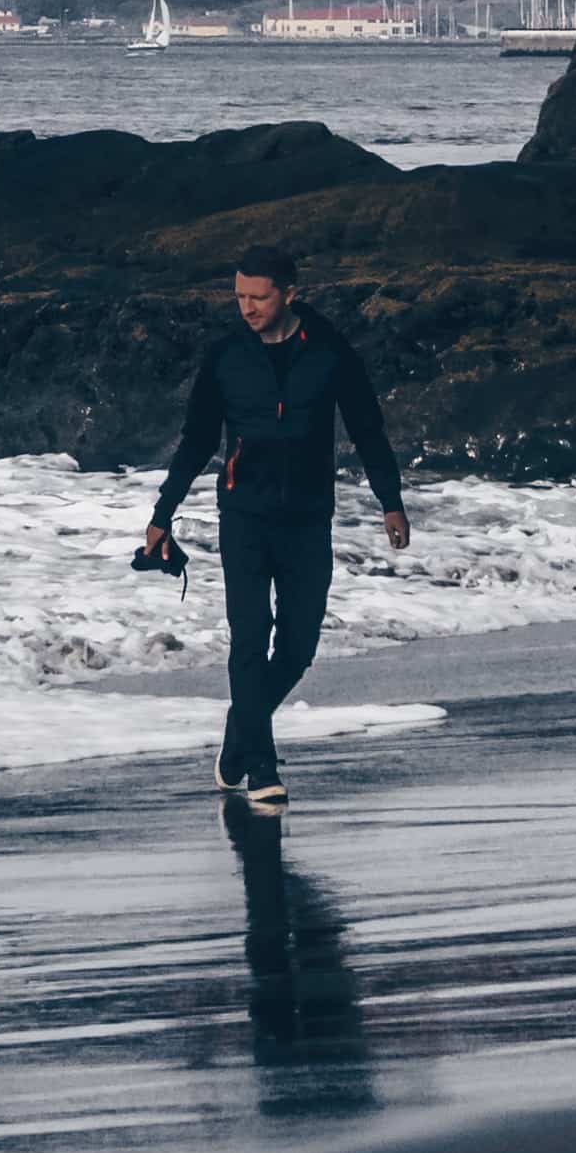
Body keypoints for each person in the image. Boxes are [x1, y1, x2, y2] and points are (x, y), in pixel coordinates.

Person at [141, 246, 408, 808]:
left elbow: (368, 430)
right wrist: (162, 514)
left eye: (258, 297)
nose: (247, 307)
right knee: (249, 635)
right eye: (239, 296)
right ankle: (262, 766)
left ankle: (239, 738)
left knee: (298, 644)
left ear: (291, 293)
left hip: (309, 517)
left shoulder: (331, 352)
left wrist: (391, 502)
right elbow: (195, 441)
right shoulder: (226, 357)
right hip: (244, 515)